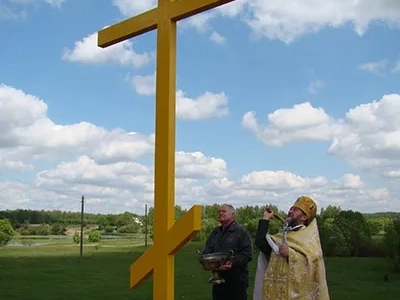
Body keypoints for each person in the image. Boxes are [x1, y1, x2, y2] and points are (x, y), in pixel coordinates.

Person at [253, 196, 330, 300]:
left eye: (295, 210)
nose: (290, 211)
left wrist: (290, 254)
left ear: (304, 217)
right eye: (291, 208)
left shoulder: (308, 239)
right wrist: (265, 218)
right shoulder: (283, 235)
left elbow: (314, 259)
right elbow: (261, 244)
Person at [201, 204, 253, 300]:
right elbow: (207, 249)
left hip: (236, 281)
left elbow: (247, 254)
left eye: (224, 211)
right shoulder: (215, 232)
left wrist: (232, 262)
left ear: (233, 215)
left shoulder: (241, 232)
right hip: (218, 280)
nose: (220, 213)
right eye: (219, 212)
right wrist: (206, 262)